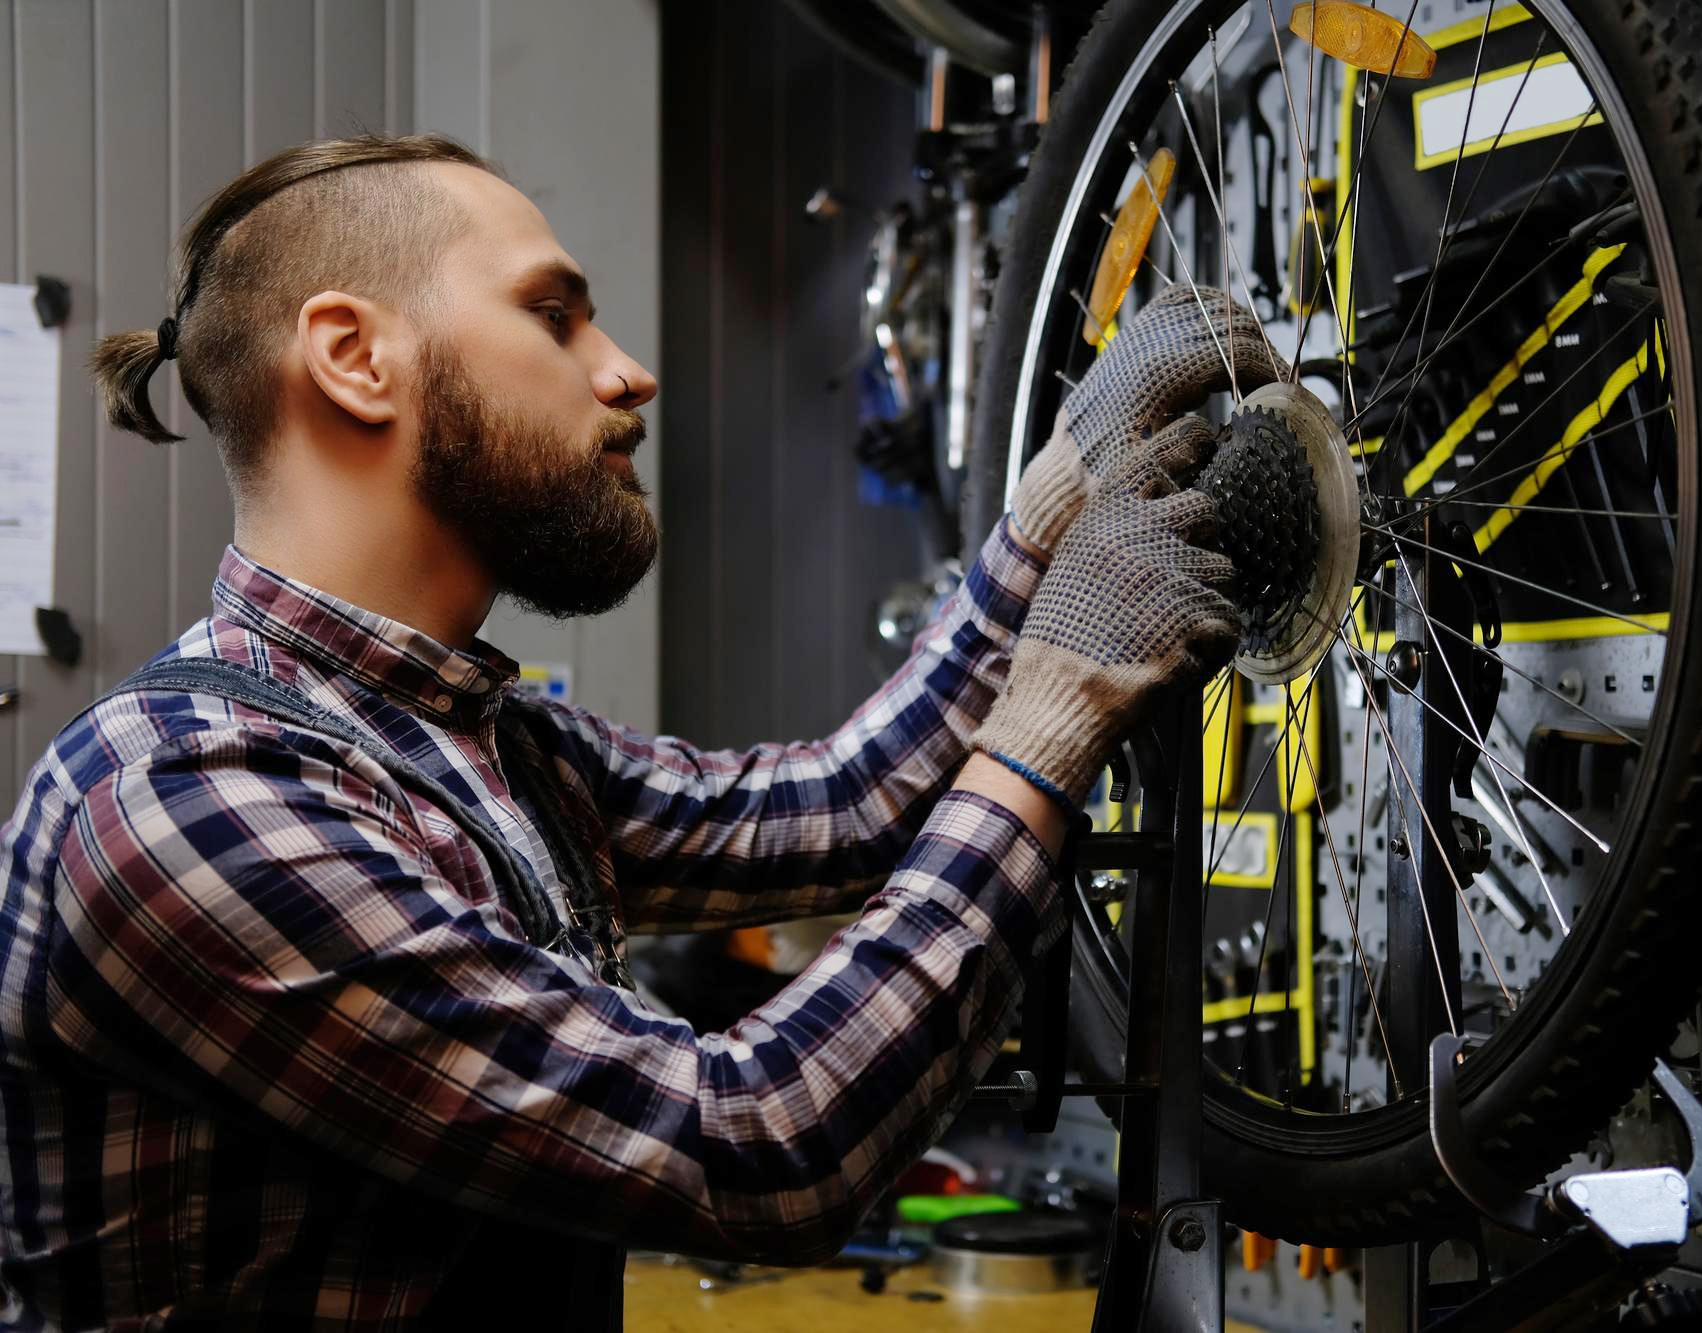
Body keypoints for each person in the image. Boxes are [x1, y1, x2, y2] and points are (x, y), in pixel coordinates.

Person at [0, 133, 1280, 1329]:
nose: (625, 369)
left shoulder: (469, 739)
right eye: (552, 316)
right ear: (353, 356)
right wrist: (1045, 728)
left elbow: (839, 805)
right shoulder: (182, 803)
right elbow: (754, 1145)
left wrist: (1057, 492)